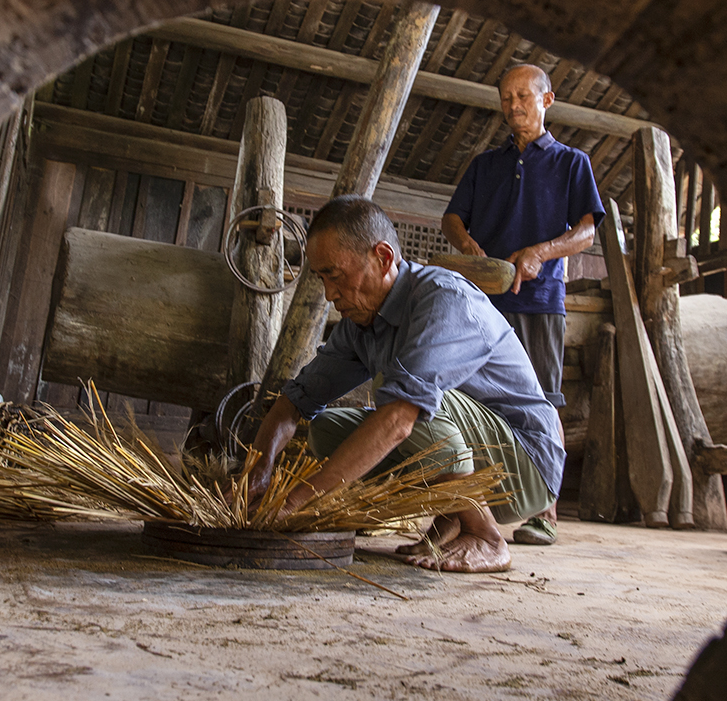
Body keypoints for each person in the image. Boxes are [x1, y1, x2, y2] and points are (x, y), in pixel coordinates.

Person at [239, 196, 565, 573]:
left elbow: (400, 420)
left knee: (404, 400)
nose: (329, 294)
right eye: (322, 278)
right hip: (477, 456)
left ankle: (485, 535)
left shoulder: (444, 299)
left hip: (523, 466)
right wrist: (258, 472)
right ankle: (452, 514)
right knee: (328, 430)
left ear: (382, 257)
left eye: (336, 275)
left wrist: (294, 504)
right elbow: (293, 403)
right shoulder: (360, 325)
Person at [441, 63, 605, 546]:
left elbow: (587, 231)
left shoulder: (572, 162)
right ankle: (464, 510)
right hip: (481, 300)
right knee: (469, 395)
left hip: (538, 298)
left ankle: (545, 511)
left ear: (546, 101)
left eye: (523, 97)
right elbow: (452, 218)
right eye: (506, 97)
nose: (513, 105)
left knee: (543, 398)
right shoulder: (484, 165)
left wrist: (541, 252)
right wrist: (466, 243)